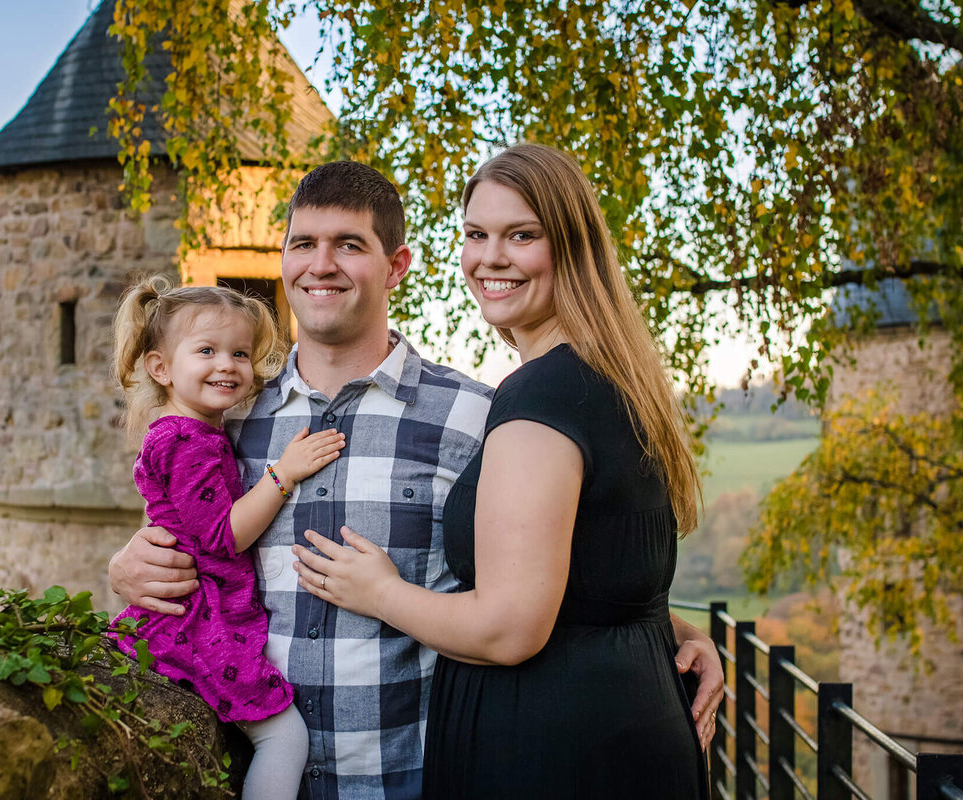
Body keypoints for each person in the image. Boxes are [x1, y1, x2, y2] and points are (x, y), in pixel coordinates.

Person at [108, 160, 724, 800]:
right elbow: (192, 536)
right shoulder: (226, 417)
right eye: (302, 245)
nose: (321, 265)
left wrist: (670, 631)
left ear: (396, 266)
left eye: (349, 246)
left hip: (417, 779)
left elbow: (545, 573)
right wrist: (126, 564)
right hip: (248, 773)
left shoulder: (477, 417)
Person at [291, 143, 711, 798]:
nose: (490, 257)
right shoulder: (608, 379)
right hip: (613, 730)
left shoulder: (542, 396)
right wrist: (677, 630)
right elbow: (599, 576)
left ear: (571, 247)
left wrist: (378, 592)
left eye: (521, 235)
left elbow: (512, 627)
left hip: (556, 755)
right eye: (476, 235)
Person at [107, 279, 346, 800]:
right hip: (203, 620)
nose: (228, 365)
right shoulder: (186, 441)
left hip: (202, 611)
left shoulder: (193, 430)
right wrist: (283, 475)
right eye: (207, 351)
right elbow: (221, 536)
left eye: (240, 353)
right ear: (160, 368)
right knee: (284, 737)